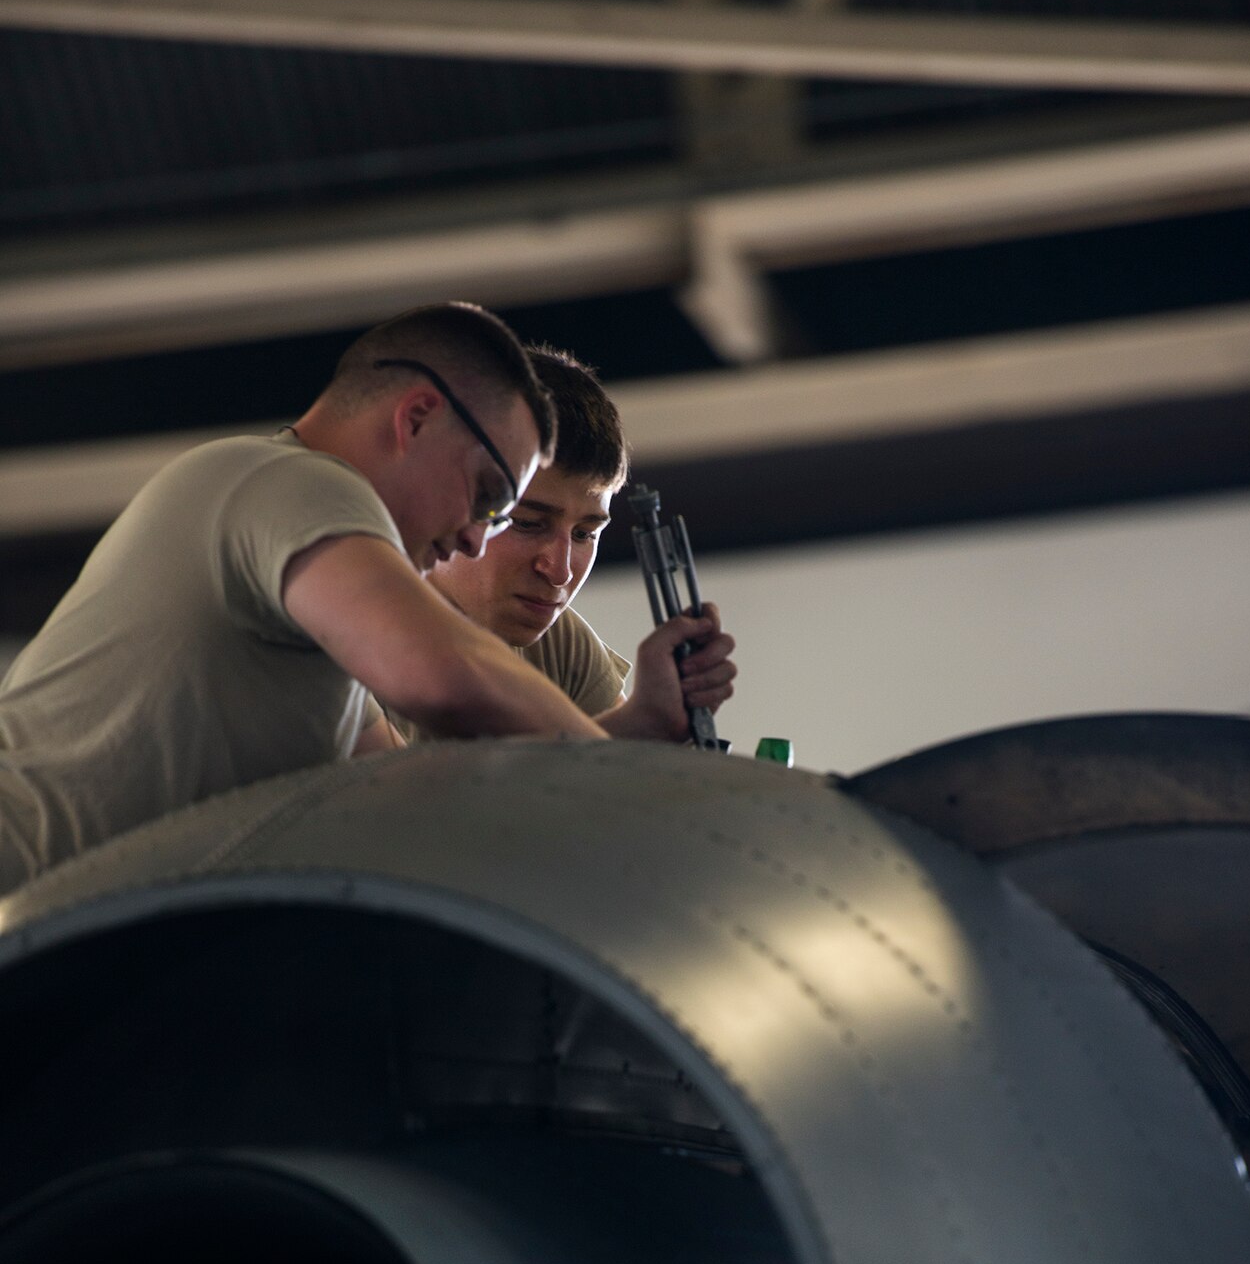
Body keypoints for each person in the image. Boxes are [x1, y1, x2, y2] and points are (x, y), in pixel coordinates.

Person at [0, 304, 722, 896]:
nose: (474, 538)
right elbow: (447, 676)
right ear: (414, 419)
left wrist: (636, 730)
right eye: (490, 499)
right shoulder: (287, 481)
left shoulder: (317, 634)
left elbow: (399, 809)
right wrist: (626, 798)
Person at [413, 345, 736, 746]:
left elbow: (611, 788)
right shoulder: (352, 629)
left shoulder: (560, 646)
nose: (560, 570)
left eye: (584, 534)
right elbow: (415, 806)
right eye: (527, 524)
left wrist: (651, 724)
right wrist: (636, 726)